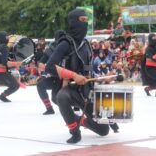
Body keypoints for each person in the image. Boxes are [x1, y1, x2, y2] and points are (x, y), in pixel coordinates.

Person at [44, 8, 110, 144]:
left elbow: (88, 68)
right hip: (69, 89)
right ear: (74, 22)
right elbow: (49, 66)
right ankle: (74, 131)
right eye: (82, 20)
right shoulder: (65, 43)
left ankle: (81, 121)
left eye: (87, 20)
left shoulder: (86, 44)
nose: (85, 24)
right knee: (61, 96)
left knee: (103, 130)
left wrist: (102, 77)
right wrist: (74, 75)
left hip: (87, 91)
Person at [36, 30, 65, 115]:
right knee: (40, 85)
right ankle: (49, 108)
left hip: (66, 77)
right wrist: (49, 68)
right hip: (54, 76)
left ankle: (73, 107)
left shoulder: (69, 48)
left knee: (56, 98)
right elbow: (40, 63)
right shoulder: (50, 49)